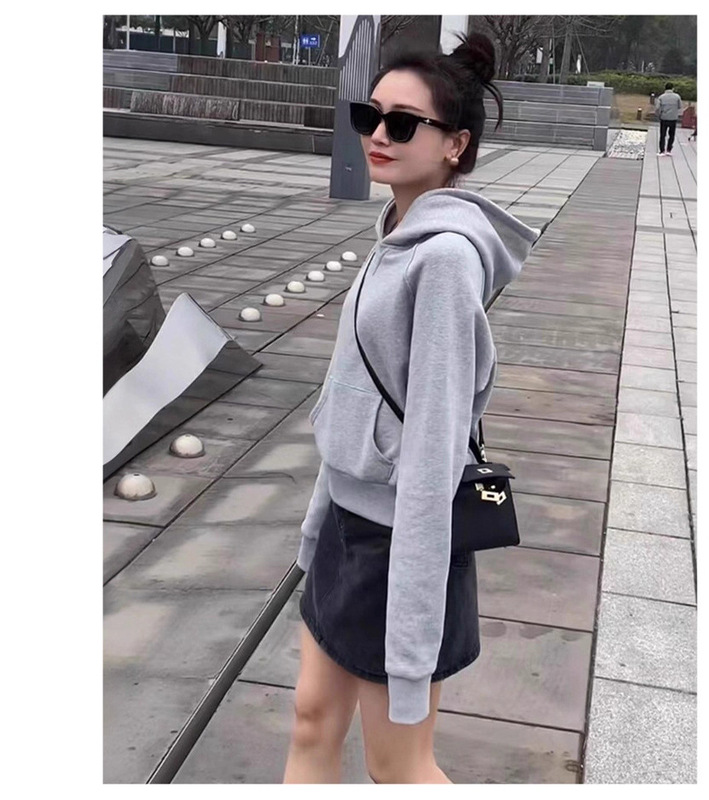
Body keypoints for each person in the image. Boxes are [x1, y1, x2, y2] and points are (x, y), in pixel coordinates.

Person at [282, 32, 539, 784]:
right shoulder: (394, 235)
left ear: (456, 145)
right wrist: (317, 528)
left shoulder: (445, 259)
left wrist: (414, 625)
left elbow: (432, 447)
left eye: (403, 124)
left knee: (398, 767)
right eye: (370, 116)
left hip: (401, 544)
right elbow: (349, 394)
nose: (378, 136)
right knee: (311, 719)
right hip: (348, 524)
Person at [655, 81, 683, 156]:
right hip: (673, 118)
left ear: (665, 88)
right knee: (671, 134)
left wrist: (658, 114)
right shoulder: (677, 97)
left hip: (664, 118)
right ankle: (669, 150)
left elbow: (657, 108)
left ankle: (662, 151)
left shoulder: (661, 97)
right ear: (672, 88)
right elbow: (680, 106)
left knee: (663, 135)